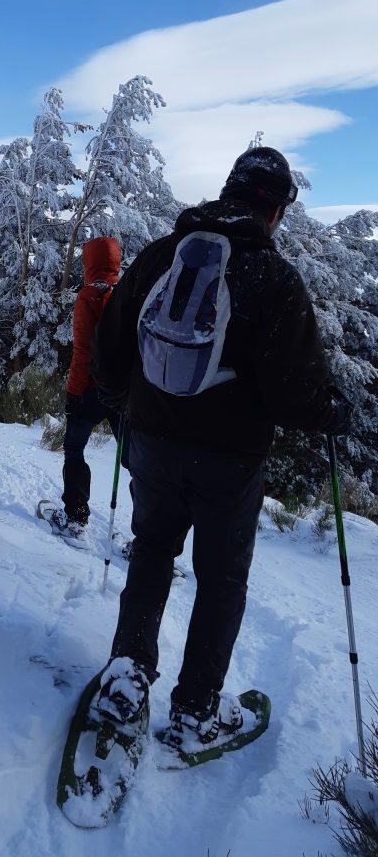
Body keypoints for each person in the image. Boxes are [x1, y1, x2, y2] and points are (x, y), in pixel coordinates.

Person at [90, 146, 349, 749]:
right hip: (230, 461)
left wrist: (121, 405)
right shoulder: (274, 279)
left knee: (152, 551)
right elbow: (296, 395)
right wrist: (333, 413)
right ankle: (194, 712)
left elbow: (109, 347)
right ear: (276, 210)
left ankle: (127, 680)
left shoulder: (161, 255)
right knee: (221, 580)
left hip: (151, 441)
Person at [41, 236, 122, 543]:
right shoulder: (123, 295)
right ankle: (148, 537)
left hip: (89, 391)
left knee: (75, 450)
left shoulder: (87, 297)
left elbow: (82, 352)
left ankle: (75, 519)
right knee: (135, 463)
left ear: (88, 263)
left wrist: (73, 393)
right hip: (120, 393)